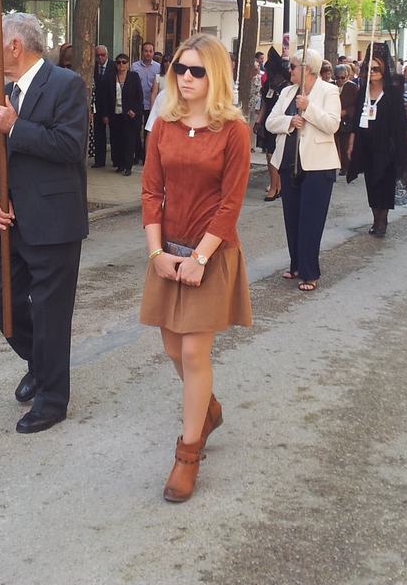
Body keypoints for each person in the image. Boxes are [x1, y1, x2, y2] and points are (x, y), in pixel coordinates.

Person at [139, 33, 252, 503]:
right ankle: (207, 408)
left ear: (215, 76)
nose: (185, 78)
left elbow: (230, 205)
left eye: (196, 71)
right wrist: (157, 254)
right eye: (180, 69)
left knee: (192, 353)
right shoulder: (164, 124)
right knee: (170, 346)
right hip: (167, 250)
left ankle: (188, 455)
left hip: (212, 253)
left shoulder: (234, 131)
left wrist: (200, 258)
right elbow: (150, 192)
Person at [0, 12, 89, 434]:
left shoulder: (66, 85)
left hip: (53, 219)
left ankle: (51, 399)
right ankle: (39, 361)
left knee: (49, 312)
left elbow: (69, 146)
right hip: (11, 220)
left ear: (15, 46)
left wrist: (17, 126)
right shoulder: (3, 90)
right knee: (1, 301)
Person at [266, 48, 342, 293]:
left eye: (294, 66)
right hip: (289, 161)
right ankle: (296, 264)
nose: (290, 70)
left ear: (307, 69)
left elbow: (332, 125)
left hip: (318, 165)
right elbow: (270, 122)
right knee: (292, 217)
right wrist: (289, 121)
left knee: (311, 220)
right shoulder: (287, 91)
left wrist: (308, 108)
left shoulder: (328, 90)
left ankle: (310, 272)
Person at [347, 44, 407, 236]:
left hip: (388, 146)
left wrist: (404, 147)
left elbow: (401, 122)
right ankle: (376, 218)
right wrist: (351, 142)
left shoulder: (393, 93)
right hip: (367, 145)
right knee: (372, 183)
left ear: (383, 70)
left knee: (385, 183)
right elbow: (356, 119)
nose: (372, 72)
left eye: (376, 69)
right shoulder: (362, 93)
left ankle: (382, 220)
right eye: (369, 69)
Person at [99, 52, 144, 175]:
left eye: (124, 62)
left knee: (129, 140)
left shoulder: (133, 77)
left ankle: (128, 166)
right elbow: (105, 97)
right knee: (116, 140)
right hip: (115, 113)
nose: (121, 65)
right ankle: (119, 164)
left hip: (129, 115)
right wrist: (105, 114)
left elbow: (139, 96)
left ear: (128, 64)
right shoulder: (110, 77)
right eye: (118, 62)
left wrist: (134, 110)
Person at [255, 49, 289, 202]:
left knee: (275, 155)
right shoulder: (268, 85)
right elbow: (264, 104)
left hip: (281, 123)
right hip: (268, 123)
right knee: (269, 155)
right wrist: (258, 121)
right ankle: (274, 184)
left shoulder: (286, 87)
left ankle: (277, 186)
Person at [131, 42, 161, 164]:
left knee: (148, 130)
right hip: (138, 103)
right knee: (135, 129)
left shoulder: (158, 68)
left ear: (153, 52)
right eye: (145, 51)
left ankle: (145, 156)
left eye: (150, 51)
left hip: (152, 104)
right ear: (142, 52)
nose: (148, 53)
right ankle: (137, 154)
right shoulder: (134, 66)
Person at [333, 63, 359, 174]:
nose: (340, 80)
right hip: (333, 119)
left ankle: (345, 167)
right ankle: (332, 166)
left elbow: (357, 104)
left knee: (344, 144)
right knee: (332, 144)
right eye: (337, 78)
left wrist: (346, 111)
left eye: (342, 77)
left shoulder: (352, 87)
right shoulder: (331, 86)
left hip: (346, 120)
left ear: (347, 76)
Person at [90, 45, 110, 168]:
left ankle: (118, 161)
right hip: (97, 106)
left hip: (111, 105)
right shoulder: (92, 67)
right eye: (98, 55)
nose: (100, 58)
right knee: (99, 134)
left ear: (107, 55)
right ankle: (99, 160)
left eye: (102, 55)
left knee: (115, 134)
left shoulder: (113, 66)